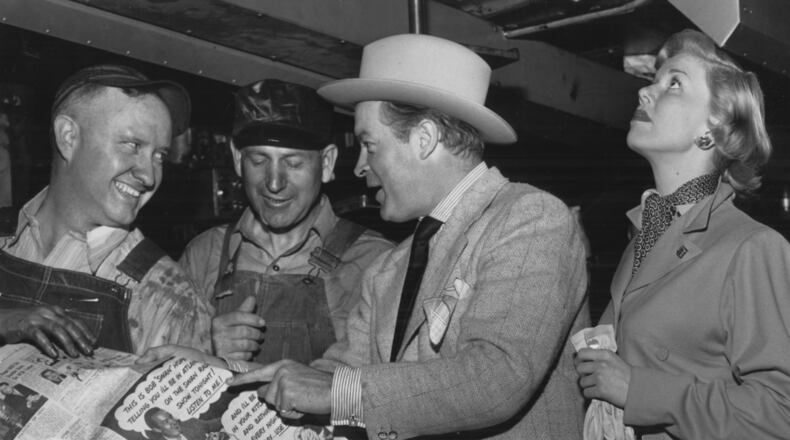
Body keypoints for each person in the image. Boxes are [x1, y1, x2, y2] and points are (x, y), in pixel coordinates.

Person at [227, 33, 591, 439]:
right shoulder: (388, 270)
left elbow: (498, 375)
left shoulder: (530, 218)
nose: (360, 166)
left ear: (424, 139)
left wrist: (338, 392)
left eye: (369, 145)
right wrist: (215, 375)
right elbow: (332, 376)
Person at [574, 29, 790, 439]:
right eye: (652, 80)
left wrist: (638, 390)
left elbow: (781, 414)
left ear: (714, 127)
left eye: (674, 83)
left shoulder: (752, 248)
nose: (644, 92)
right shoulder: (643, 238)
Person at [0, 64, 213, 357]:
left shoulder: (171, 301)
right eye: (132, 145)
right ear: (68, 137)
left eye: (159, 156)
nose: (149, 176)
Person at [179, 79, 392, 364]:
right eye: (259, 161)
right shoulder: (204, 255)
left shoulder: (376, 262)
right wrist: (204, 348)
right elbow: (153, 368)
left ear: (327, 163)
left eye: (293, 163)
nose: (274, 183)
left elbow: (391, 384)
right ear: (237, 158)